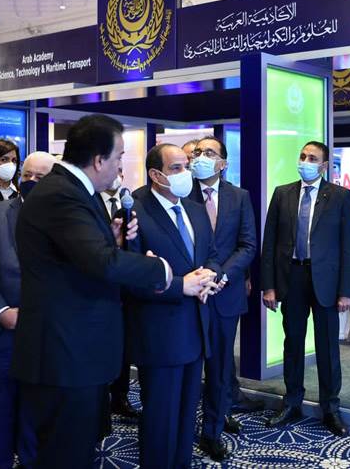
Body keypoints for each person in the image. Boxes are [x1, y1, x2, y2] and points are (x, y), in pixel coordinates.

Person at [10, 115, 210, 469]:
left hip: (77, 352)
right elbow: (102, 263)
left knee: (76, 450)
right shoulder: (61, 195)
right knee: (63, 455)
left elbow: (84, 257)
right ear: (99, 160)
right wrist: (164, 271)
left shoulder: (74, 193)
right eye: (119, 157)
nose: (120, 165)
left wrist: (114, 241)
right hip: (64, 353)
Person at [126, 143, 223, 468]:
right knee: (160, 418)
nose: (186, 173)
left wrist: (209, 275)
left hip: (196, 328)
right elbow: (132, 277)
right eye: (177, 168)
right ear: (156, 175)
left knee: (185, 417)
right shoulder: (136, 212)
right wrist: (184, 285)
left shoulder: (194, 208)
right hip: (160, 332)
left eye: (187, 166)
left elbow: (211, 254)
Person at [261, 141, 350, 437]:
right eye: (303, 156)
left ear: (324, 165)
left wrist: (346, 291)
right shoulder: (282, 193)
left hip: (326, 282)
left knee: (327, 347)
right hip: (291, 277)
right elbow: (269, 244)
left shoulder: (340, 196)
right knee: (292, 343)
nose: (305, 161)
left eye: (312, 158)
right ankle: (292, 402)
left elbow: (348, 247)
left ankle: (330, 408)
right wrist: (268, 286)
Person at [0, 151, 55, 469]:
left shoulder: (67, 219)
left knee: (37, 417)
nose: (32, 181)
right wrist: (1, 310)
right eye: (27, 175)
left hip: (46, 335)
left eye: (41, 177)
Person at [188, 137, 257, 461]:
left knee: (219, 368)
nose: (200, 157)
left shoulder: (239, 196)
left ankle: (212, 431)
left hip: (225, 293)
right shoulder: (182, 193)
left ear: (223, 163)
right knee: (189, 367)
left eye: (208, 152)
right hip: (190, 293)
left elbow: (248, 244)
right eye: (197, 152)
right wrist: (201, 276)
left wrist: (222, 275)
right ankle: (182, 425)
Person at [99, 170, 139, 419]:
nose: (117, 175)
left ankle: (120, 396)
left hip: (126, 286)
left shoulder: (129, 201)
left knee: (124, 345)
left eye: (121, 171)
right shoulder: (90, 201)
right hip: (99, 285)